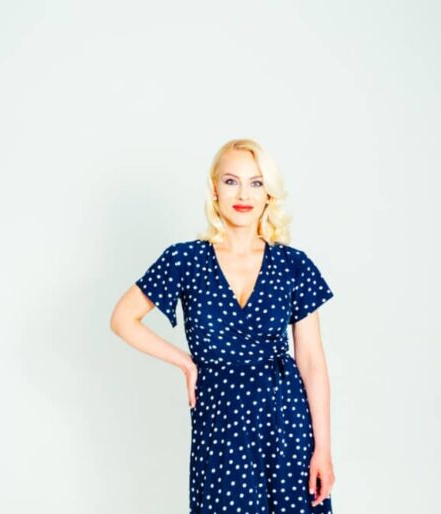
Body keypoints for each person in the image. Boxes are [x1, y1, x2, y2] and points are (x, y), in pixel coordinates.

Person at [110, 138, 336, 513]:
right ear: (214, 189)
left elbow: (312, 362)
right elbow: (122, 318)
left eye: (256, 183)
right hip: (221, 422)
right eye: (231, 181)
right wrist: (185, 363)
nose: (243, 194)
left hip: (285, 421)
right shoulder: (185, 260)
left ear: (269, 193)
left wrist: (323, 449)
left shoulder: (294, 265)